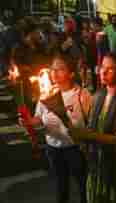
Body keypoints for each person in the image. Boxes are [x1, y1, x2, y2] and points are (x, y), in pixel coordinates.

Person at [19, 52, 92, 203]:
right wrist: (29, 122)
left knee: (83, 185)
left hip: (75, 148)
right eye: (53, 69)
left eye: (60, 69)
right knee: (61, 185)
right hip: (53, 148)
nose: (54, 73)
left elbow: (90, 122)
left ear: (71, 73)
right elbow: (39, 118)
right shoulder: (46, 95)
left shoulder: (81, 94)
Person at [71, 53, 116, 203]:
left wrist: (87, 135)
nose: (103, 72)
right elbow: (91, 125)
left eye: (110, 69)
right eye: (102, 67)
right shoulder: (98, 95)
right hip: (96, 164)